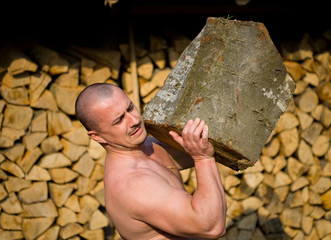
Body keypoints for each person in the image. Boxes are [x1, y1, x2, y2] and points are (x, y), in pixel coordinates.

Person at [75, 83, 227, 240]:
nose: (134, 120)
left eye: (130, 108)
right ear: (97, 136)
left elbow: (210, 147)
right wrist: (203, 159)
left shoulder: (149, 147)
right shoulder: (133, 184)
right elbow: (211, 226)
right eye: (119, 120)